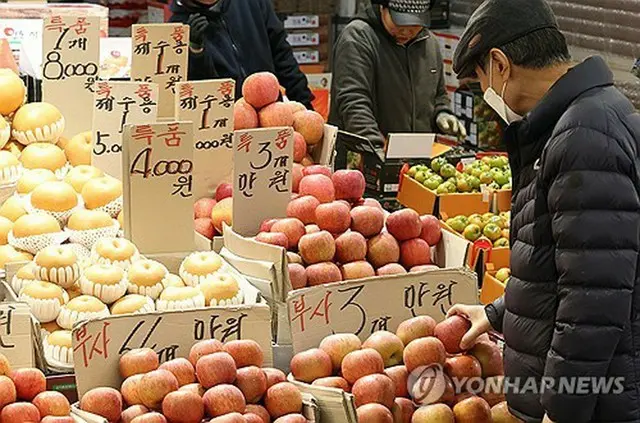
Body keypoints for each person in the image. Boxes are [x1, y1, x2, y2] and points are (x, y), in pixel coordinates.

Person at [448, 0, 640, 422]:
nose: (484, 94)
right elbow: (563, 259)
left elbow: (594, 297)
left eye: (480, 78)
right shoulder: (573, 122)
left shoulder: (586, 134)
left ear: (499, 64)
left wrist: (562, 409)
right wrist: (499, 312)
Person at [329, 0, 465, 167]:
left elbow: (438, 95)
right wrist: (375, 150)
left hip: (416, 164)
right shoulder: (358, 38)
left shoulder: (429, 44)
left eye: (415, 24)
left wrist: (442, 113)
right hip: (364, 163)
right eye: (400, 22)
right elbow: (354, 101)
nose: (407, 31)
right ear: (382, 8)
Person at [169, 0, 314, 108]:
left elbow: (281, 54)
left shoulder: (252, 3)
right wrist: (196, 52)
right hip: (224, 128)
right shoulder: (177, 29)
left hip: (272, 116)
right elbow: (195, 94)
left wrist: (304, 103)